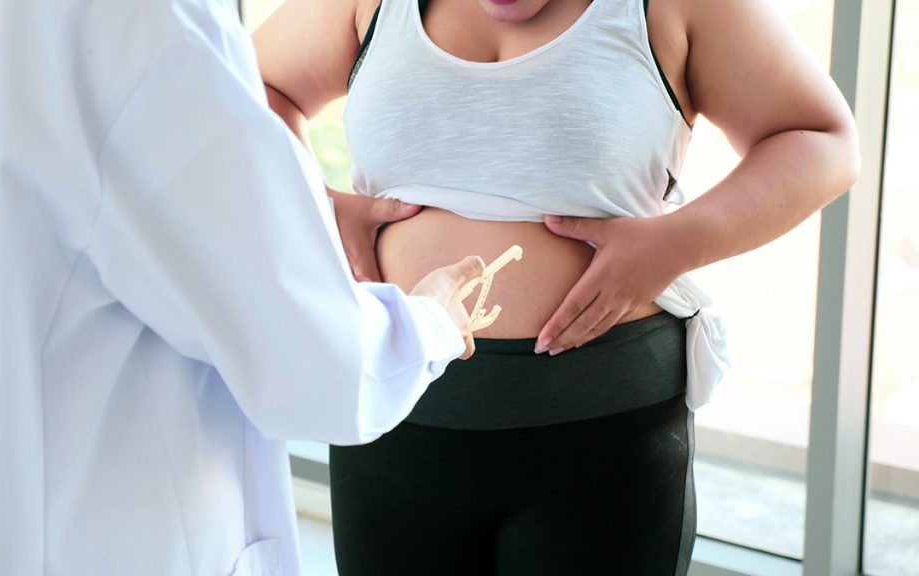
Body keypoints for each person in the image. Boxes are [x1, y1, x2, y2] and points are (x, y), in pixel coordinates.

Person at [253, 0, 860, 572]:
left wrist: (679, 241)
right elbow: (248, 91)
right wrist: (315, 202)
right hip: (390, 417)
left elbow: (819, 138)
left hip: (603, 437)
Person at [0, 1, 490, 574]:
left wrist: (298, 203)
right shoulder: (143, 22)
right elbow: (317, 364)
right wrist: (429, 321)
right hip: (102, 531)